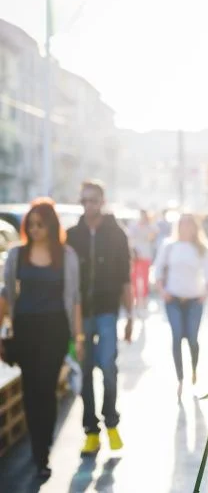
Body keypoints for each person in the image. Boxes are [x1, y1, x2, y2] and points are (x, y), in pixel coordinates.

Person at [0, 198, 83, 479]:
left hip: (55, 329)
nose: (34, 229)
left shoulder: (66, 256)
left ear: (51, 225)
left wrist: (78, 337)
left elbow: (75, 298)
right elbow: (6, 295)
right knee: (31, 389)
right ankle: (38, 450)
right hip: (26, 329)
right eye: (31, 224)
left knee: (46, 389)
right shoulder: (17, 255)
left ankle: (44, 447)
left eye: (40, 224)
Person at [67, 179, 134, 456]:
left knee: (108, 367)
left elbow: (125, 277)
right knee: (84, 371)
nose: (88, 205)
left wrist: (130, 315)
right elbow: (67, 280)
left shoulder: (116, 234)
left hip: (107, 311)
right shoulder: (72, 235)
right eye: (83, 200)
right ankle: (91, 431)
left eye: (92, 200)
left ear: (102, 202)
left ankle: (112, 422)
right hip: (81, 313)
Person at [152, 212, 208, 398]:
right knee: (177, 335)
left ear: (195, 227)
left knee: (193, 339)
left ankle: (194, 369)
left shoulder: (202, 248)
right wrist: (162, 291)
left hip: (194, 300)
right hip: (173, 299)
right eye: (182, 224)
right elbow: (157, 270)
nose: (185, 227)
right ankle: (180, 378)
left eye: (189, 224)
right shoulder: (169, 246)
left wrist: (205, 294)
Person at [128, 209, 158, 316]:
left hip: (145, 256)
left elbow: (154, 234)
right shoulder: (134, 225)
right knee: (134, 279)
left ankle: (144, 301)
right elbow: (130, 237)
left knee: (144, 279)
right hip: (135, 256)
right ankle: (136, 301)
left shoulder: (150, 226)